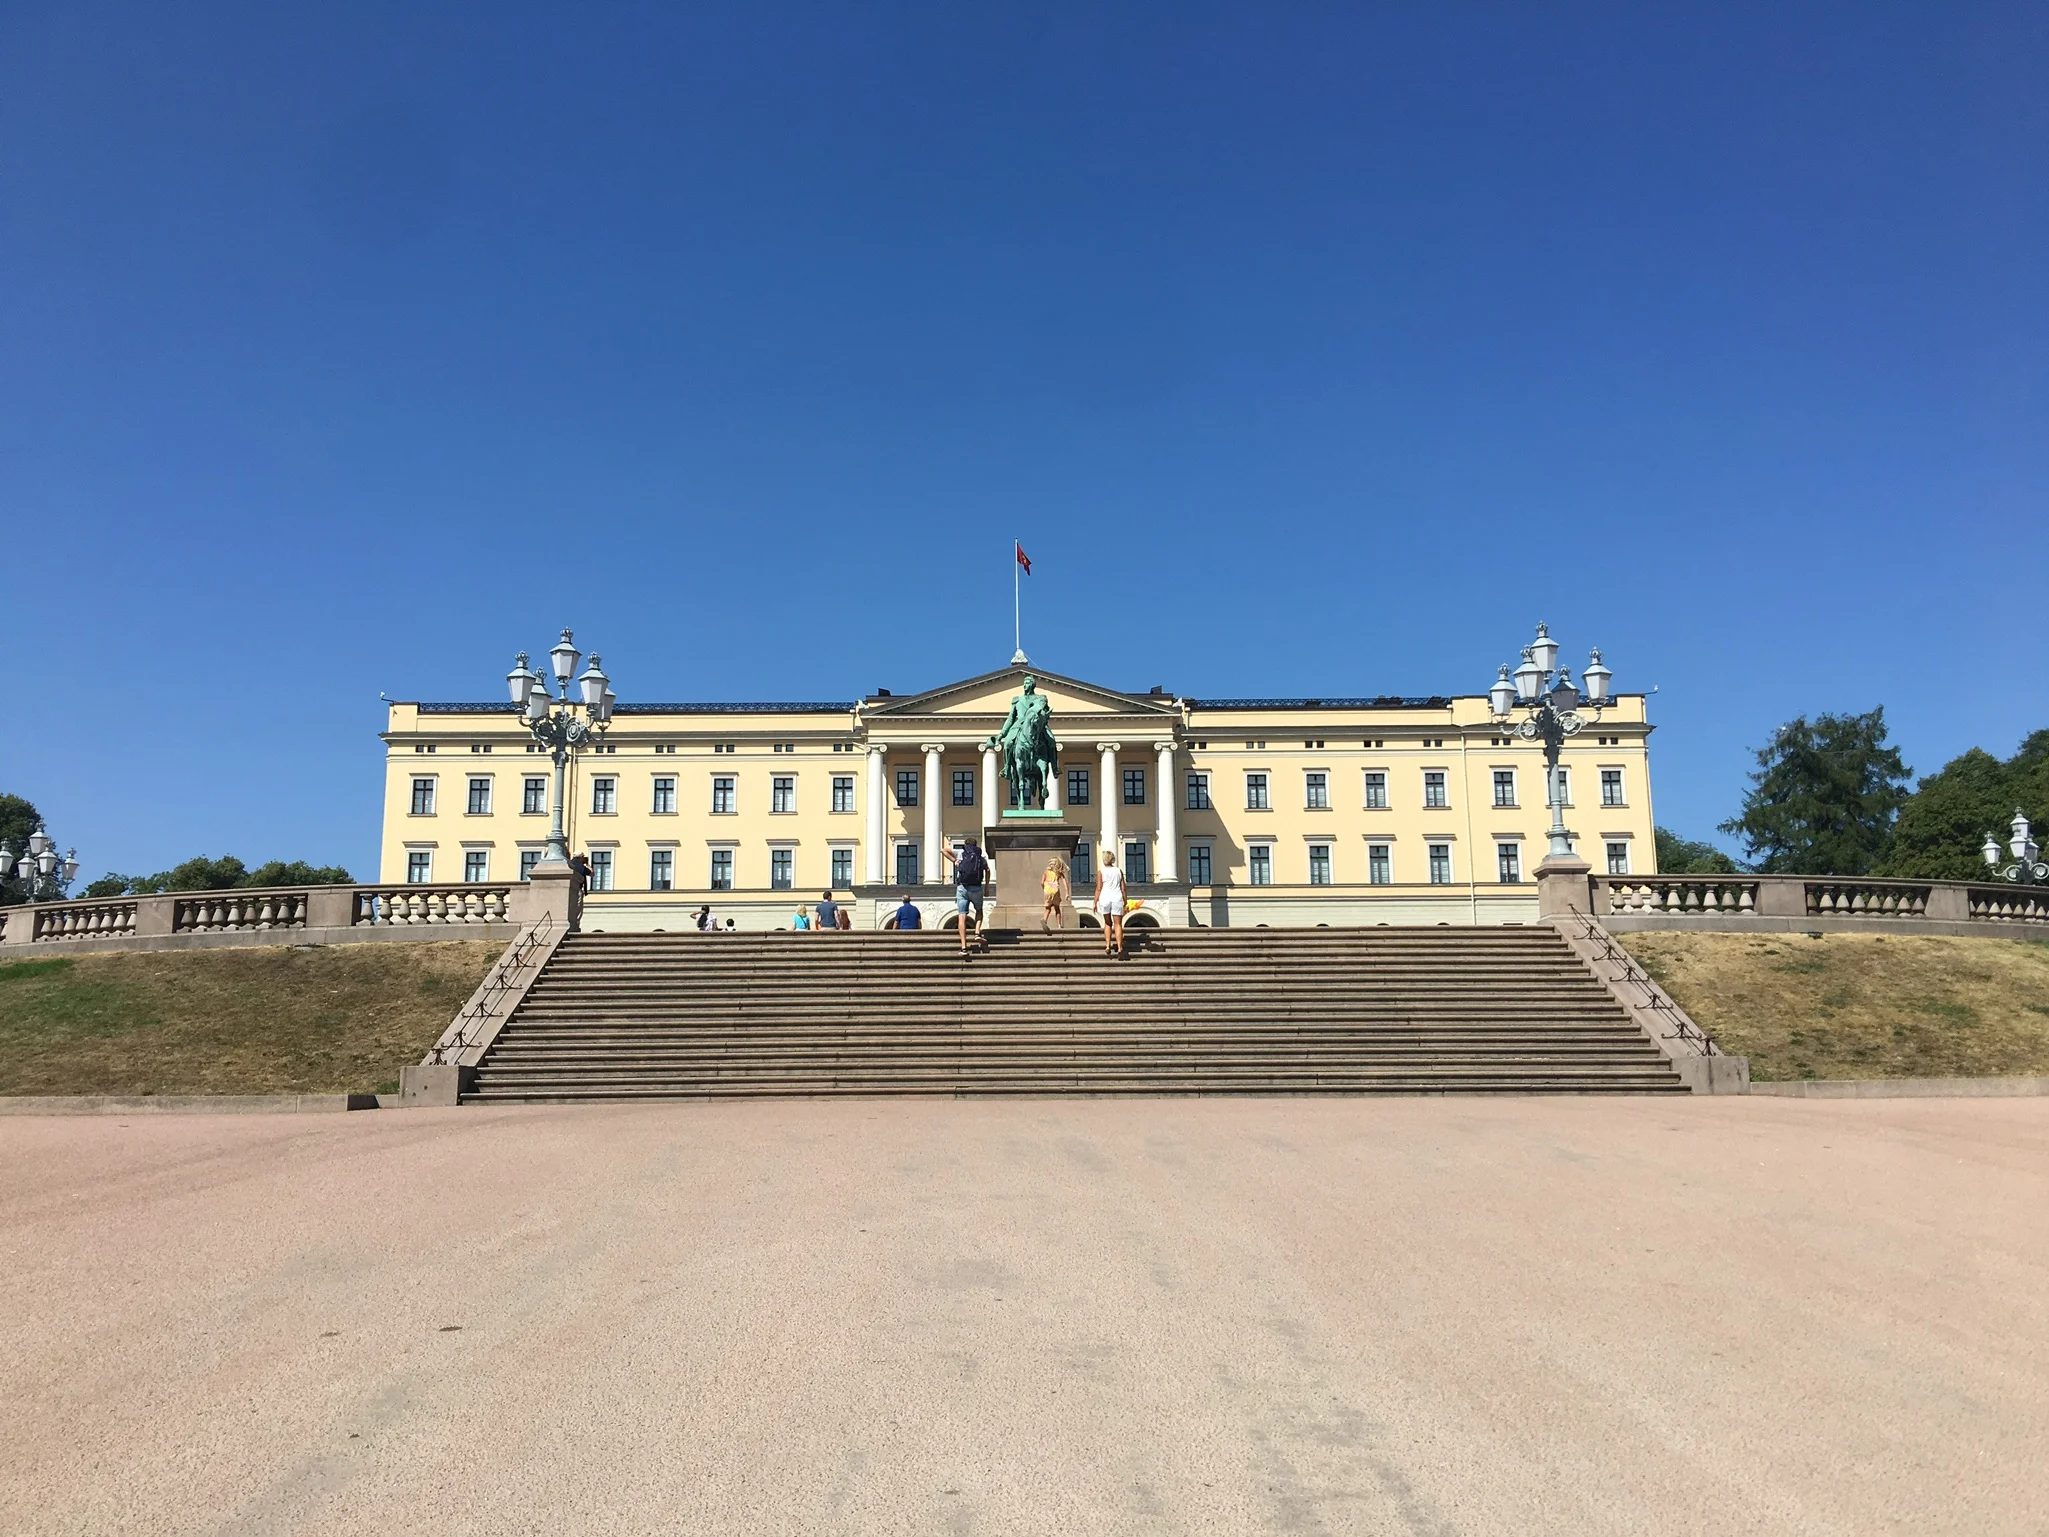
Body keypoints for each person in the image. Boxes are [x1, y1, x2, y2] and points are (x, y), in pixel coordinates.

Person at [940, 836, 989, 958]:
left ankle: (963, 946)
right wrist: (987, 887)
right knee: (979, 911)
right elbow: (987, 870)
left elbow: (943, 850)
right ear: (975, 844)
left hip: (962, 888)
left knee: (962, 917)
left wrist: (954, 861)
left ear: (965, 844)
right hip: (977, 888)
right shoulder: (980, 855)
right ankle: (977, 932)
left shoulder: (961, 852)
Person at [1095, 849, 1127, 958]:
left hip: (1105, 897)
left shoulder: (1101, 871)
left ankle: (1108, 946)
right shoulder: (1118, 871)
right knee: (1118, 924)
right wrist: (1125, 900)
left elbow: (1099, 888)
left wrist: (1095, 902)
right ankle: (1120, 947)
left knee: (1108, 923)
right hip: (1117, 897)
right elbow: (1123, 888)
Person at [1041, 856, 1070, 932]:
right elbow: (1065, 883)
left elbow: (1042, 882)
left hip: (1047, 891)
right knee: (1057, 908)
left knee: (1048, 908)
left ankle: (1044, 920)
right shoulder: (1059, 873)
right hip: (1055, 890)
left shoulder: (1046, 872)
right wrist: (1067, 893)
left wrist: (1044, 888)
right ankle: (1059, 925)